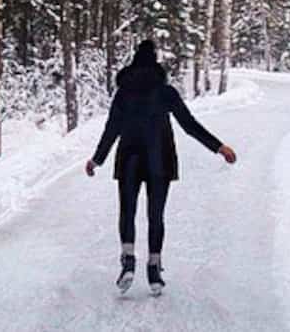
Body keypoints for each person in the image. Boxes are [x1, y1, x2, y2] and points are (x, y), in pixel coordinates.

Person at [85, 39, 237, 295]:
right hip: (159, 160)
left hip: (129, 159)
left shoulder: (123, 93)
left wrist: (97, 159)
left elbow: (111, 129)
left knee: (128, 212)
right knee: (156, 216)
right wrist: (219, 147)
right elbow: (189, 125)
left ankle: (128, 261)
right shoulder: (166, 92)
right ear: (155, 63)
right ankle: (154, 270)